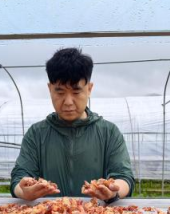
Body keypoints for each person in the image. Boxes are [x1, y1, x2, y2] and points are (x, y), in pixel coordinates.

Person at [10, 47, 135, 203]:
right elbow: (19, 178)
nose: (68, 102)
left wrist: (113, 191)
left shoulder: (108, 132)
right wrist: (23, 191)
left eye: (76, 92)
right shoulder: (37, 134)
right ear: (50, 89)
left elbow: (124, 177)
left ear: (89, 89)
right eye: (60, 92)